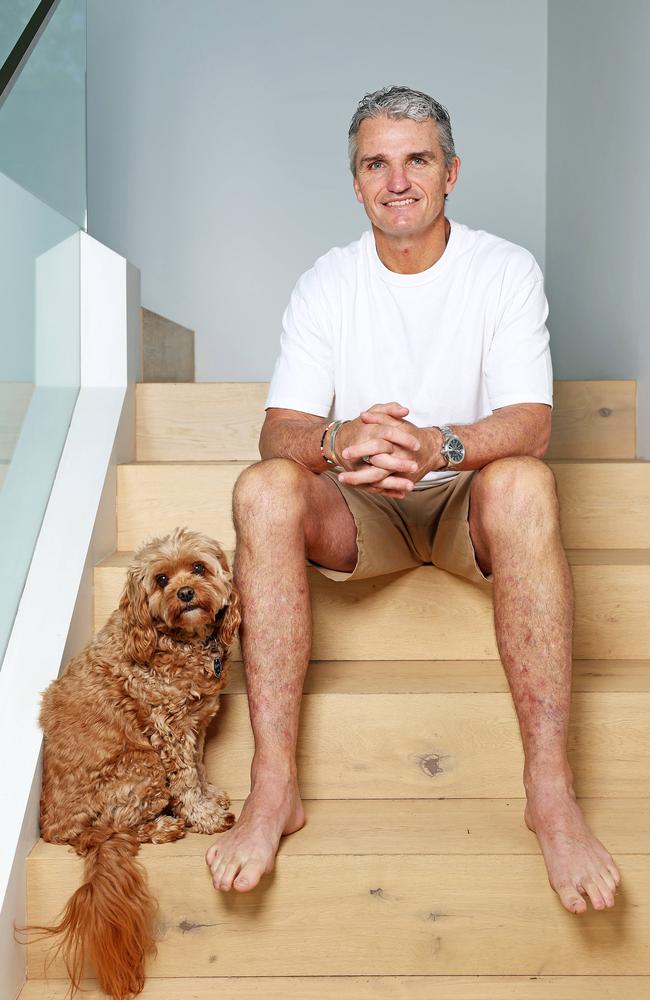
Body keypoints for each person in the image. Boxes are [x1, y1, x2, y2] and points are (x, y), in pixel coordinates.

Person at [206, 85, 621, 914]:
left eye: (417, 159)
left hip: (470, 504)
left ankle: (548, 786)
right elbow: (278, 431)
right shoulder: (327, 283)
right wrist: (338, 442)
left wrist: (437, 446)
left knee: (528, 482)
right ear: (357, 183)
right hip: (362, 510)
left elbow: (532, 423)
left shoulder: (503, 269)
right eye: (376, 163)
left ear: (451, 172)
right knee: (263, 490)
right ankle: (272, 781)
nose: (397, 181)